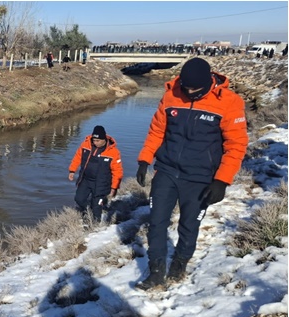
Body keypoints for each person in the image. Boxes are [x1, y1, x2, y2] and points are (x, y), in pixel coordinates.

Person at [135, 57, 248, 291]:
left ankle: (180, 263)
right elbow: (157, 131)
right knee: (156, 222)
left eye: (195, 89)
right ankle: (156, 271)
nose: (190, 92)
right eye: (186, 88)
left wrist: (222, 180)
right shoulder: (171, 96)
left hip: (201, 177)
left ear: (208, 82)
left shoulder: (229, 102)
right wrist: (145, 159)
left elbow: (236, 145)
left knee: (189, 225)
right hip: (167, 171)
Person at [68, 125, 123, 222]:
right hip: (85, 179)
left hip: (101, 183)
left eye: (98, 141)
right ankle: (88, 213)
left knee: (96, 207)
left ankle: (95, 224)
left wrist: (114, 187)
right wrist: (72, 170)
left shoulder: (113, 152)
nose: (95, 142)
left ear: (104, 139)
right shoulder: (86, 145)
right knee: (79, 199)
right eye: (94, 140)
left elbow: (117, 171)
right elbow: (77, 157)